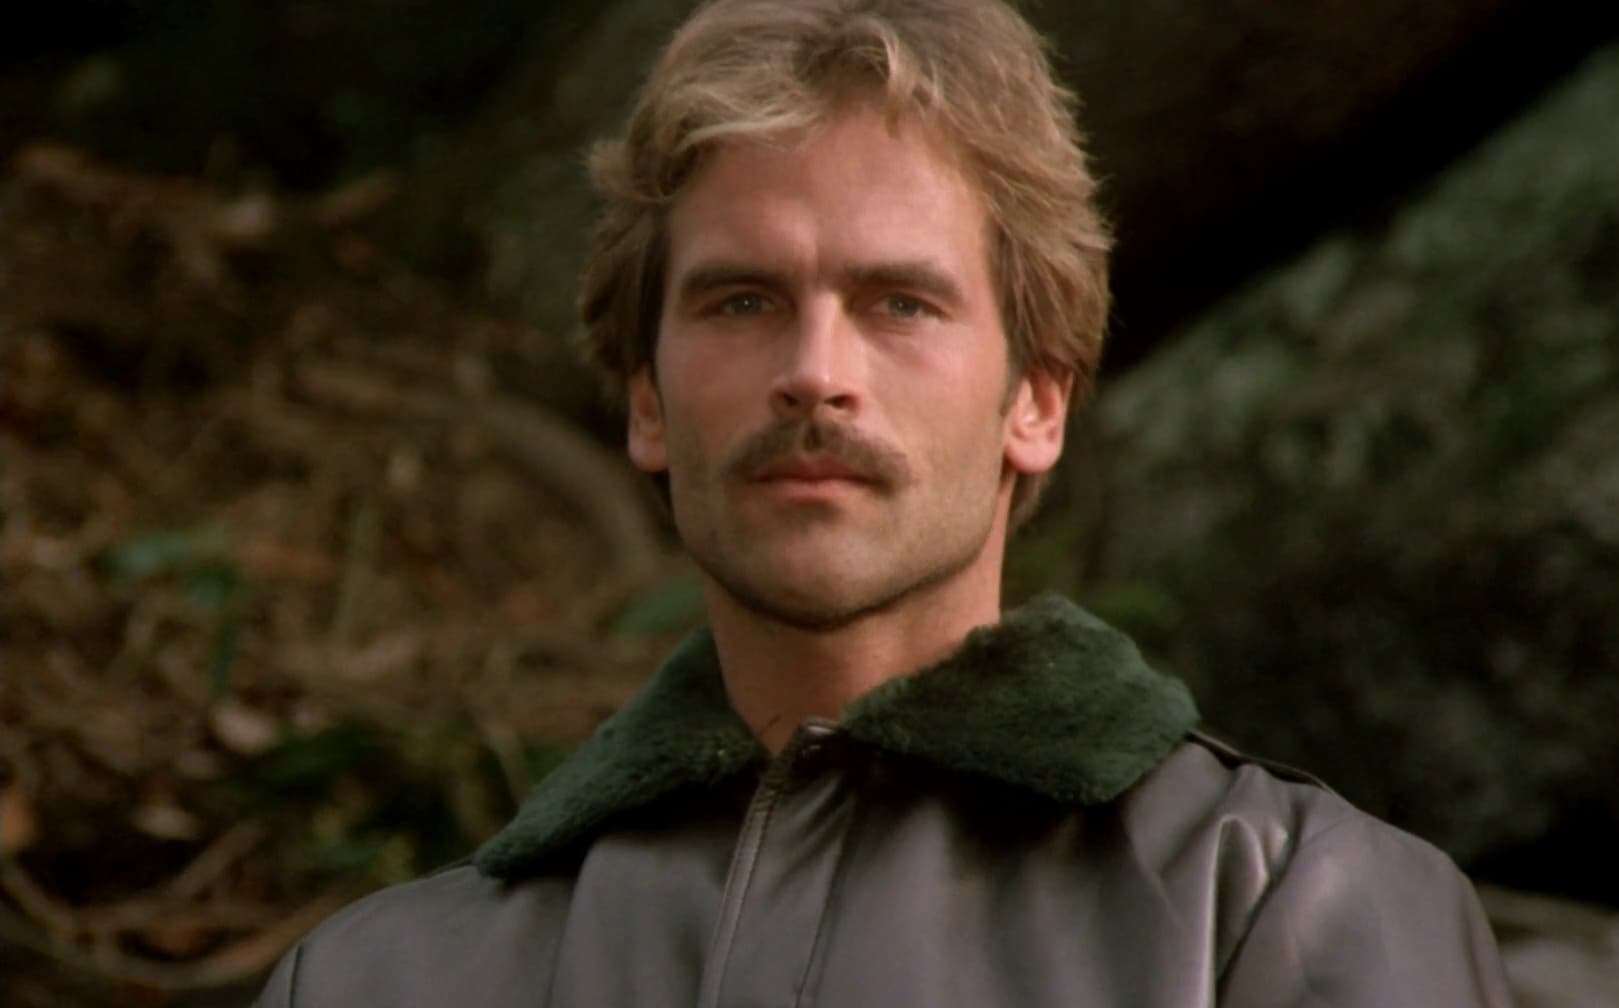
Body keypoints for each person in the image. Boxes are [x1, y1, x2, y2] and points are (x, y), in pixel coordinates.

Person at [255, 0, 1514, 1004]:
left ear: (1036, 402)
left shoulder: (1290, 908)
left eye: (899, 303)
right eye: (741, 301)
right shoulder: (383, 981)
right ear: (647, 403)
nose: (815, 371)